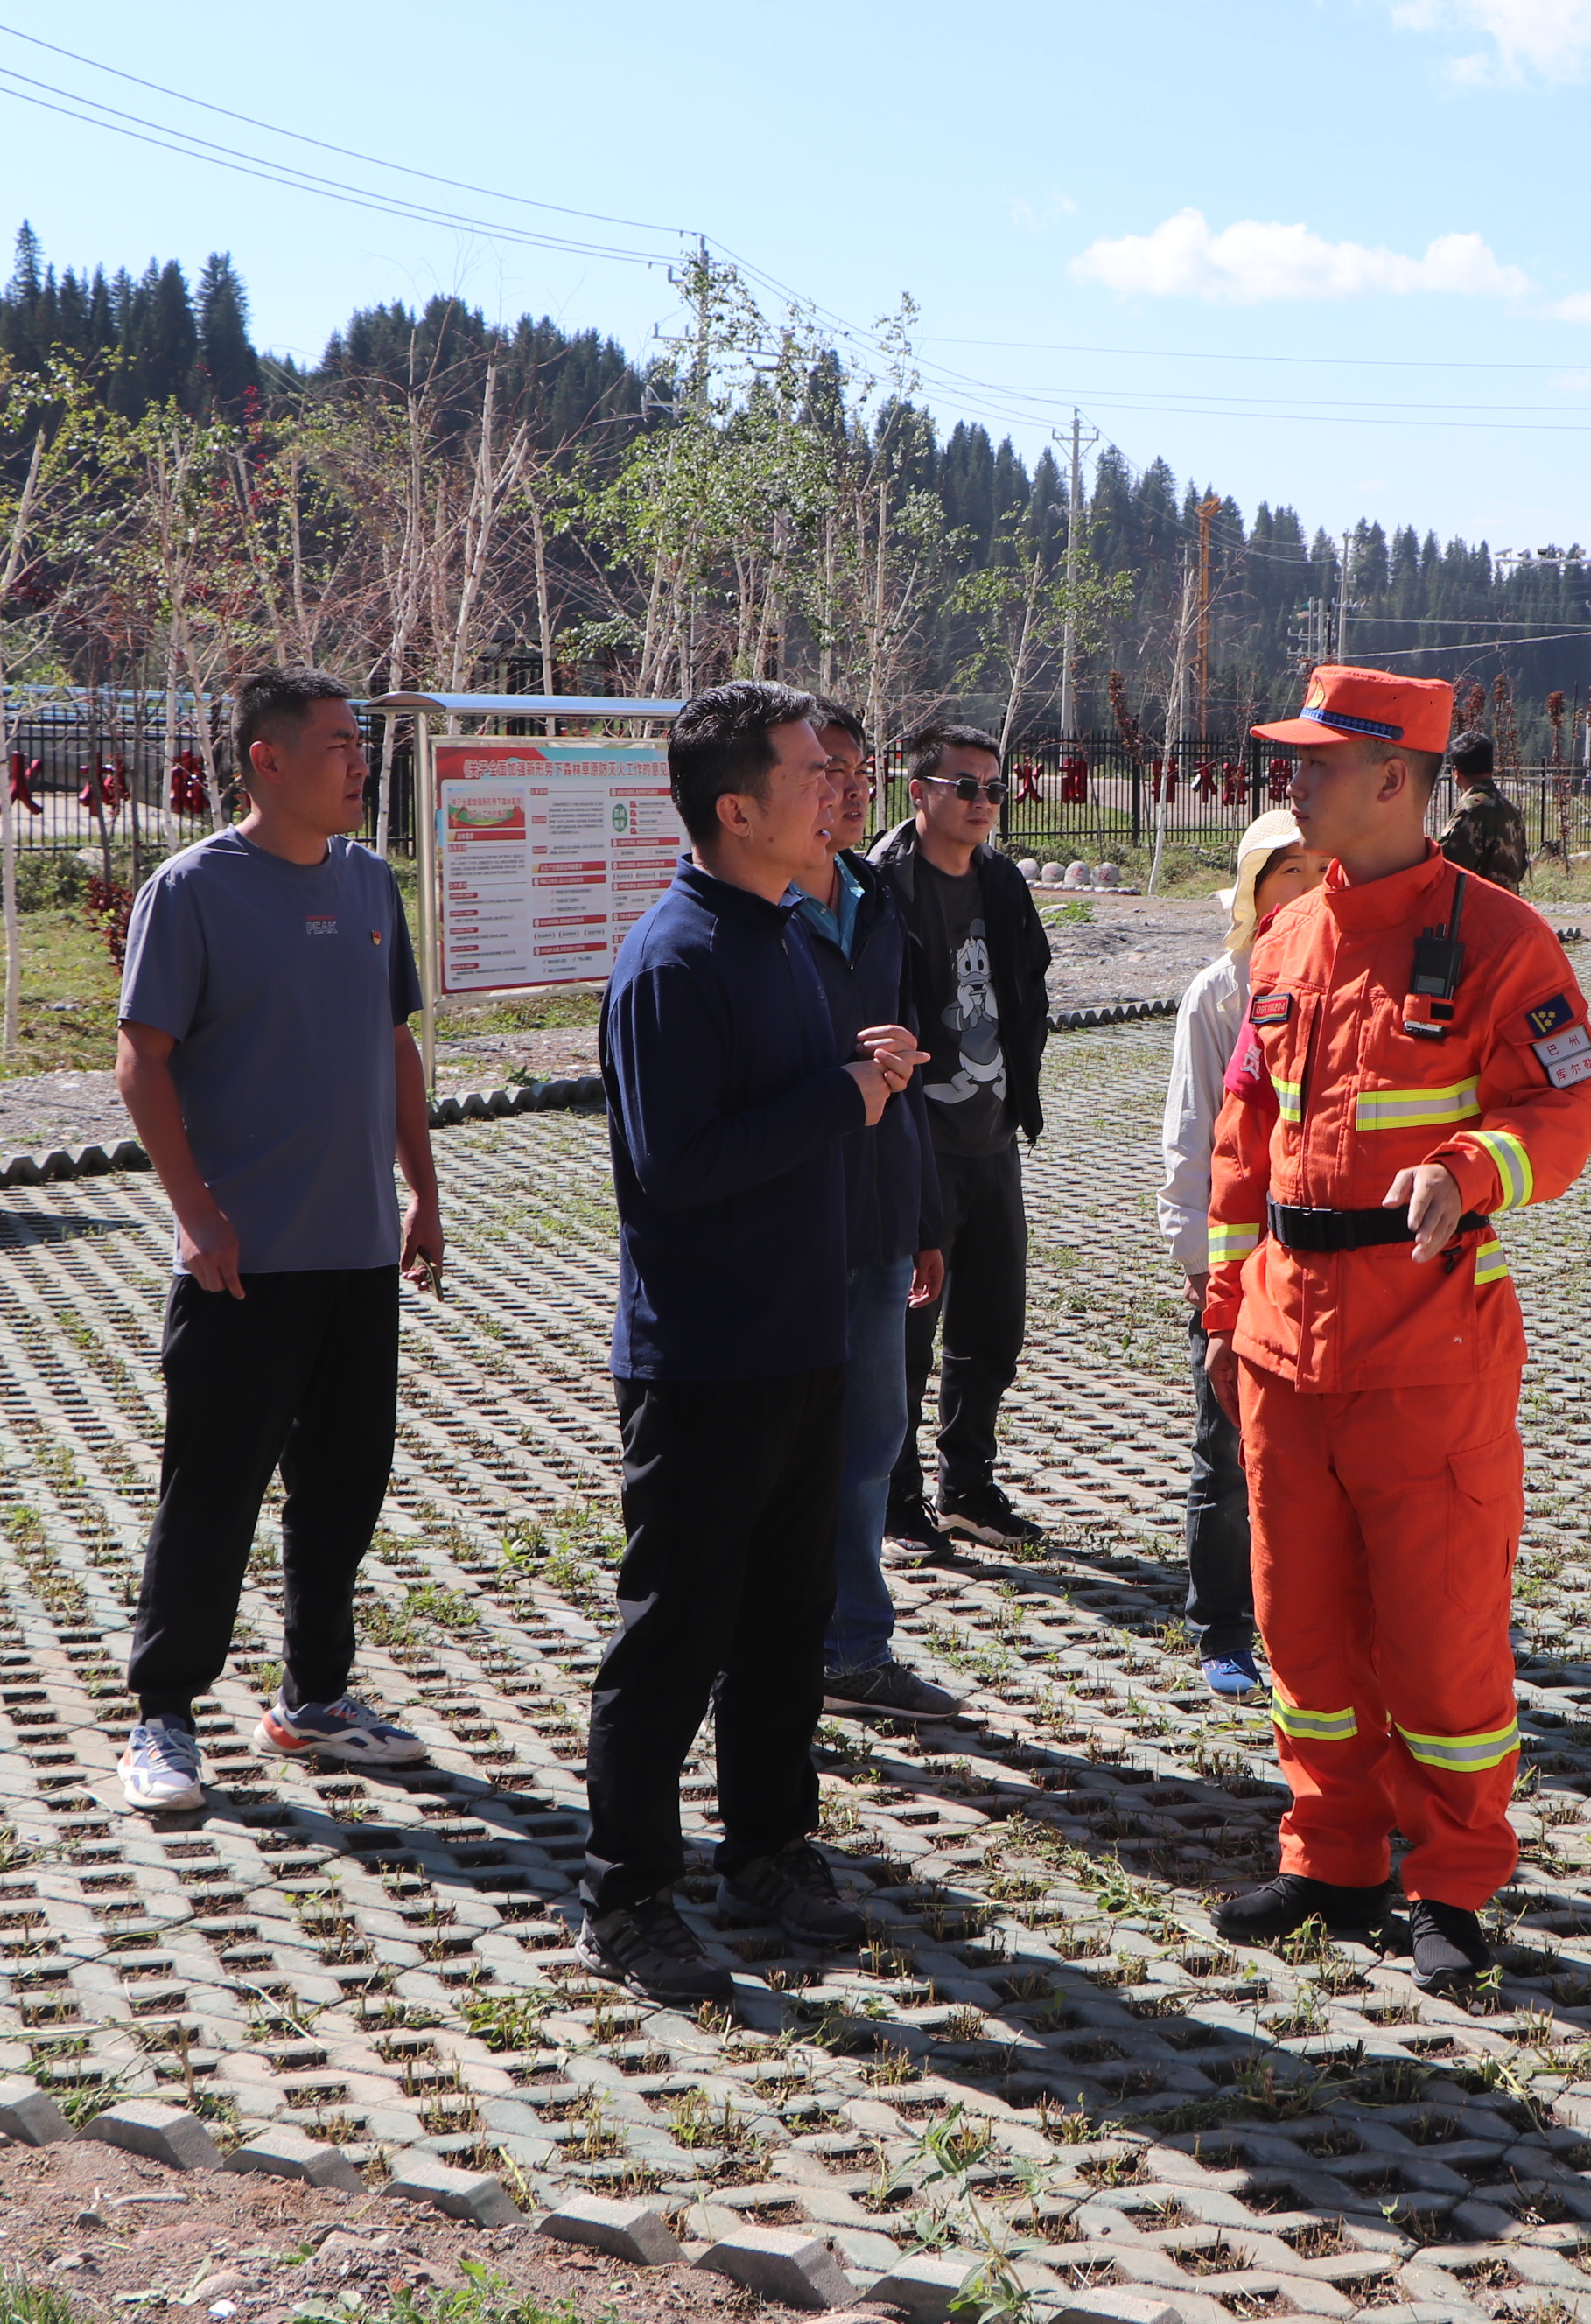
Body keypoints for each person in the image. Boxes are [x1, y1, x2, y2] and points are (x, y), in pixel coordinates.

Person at [1201, 665, 1591, 1998]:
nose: (1291, 781)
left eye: (1315, 763)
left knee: (1440, 1637)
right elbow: (1242, 1138)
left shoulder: (1500, 940)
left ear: (1394, 780)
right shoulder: (1284, 939)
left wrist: (1478, 1166)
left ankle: (1451, 1879)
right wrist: (1223, 1310)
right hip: (1283, 1346)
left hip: (1425, 1350)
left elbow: (1568, 1115)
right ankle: (1331, 1854)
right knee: (1303, 1628)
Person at [585, 678, 923, 2002]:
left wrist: (865, 1079)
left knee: (785, 1623)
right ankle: (628, 1890)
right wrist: (842, 1095)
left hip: (802, 1338)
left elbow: (793, 1107)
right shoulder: (673, 957)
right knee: (678, 1631)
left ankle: (771, 1850)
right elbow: (679, 1164)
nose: (835, 787)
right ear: (737, 808)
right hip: (706, 1355)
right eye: (805, 771)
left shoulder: (785, 933)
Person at [112, 668, 442, 1815]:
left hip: (356, 1253)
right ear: (268, 758)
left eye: (362, 744)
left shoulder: (365, 881)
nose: (361, 763)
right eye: (343, 744)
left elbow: (392, 1042)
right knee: (213, 1493)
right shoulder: (195, 890)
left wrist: (424, 1191)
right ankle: (163, 1717)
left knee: (344, 1487)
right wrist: (197, 1212)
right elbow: (141, 1059)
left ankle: (315, 1700)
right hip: (240, 1265)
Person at [798, 699, 966, 1723]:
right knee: (783, 1460)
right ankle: (763, 1656)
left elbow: (914, 1075)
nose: (853, 788)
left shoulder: (873, 896)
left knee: (870, 1444)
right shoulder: (749, 915)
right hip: (784, 1235)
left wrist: (927, 1218)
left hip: (877, 1222)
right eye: (831, 770)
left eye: (862, 770)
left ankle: (854, 1645)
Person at [869, 724, 1054, 1554]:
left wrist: (1020, 1088)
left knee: (992, 1325)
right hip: (915, 1144)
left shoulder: (1004, 884)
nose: (983, 803)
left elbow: (1030, 988)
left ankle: (968, 1487)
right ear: (920, 792)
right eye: (964, 786)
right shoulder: (879, 888)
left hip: (991, 1137)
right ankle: (895, 1494)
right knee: (906, 1330)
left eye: (993, 788)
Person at [1156, 810, 1327, 1702]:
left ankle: (1300, 1621)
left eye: (1314, 866)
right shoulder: (1222, 992)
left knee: (1313, 1460)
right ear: (1255, 888)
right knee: (1226, 1453)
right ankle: (1220, 1625)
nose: (1302, 886)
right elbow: (1194, 1140)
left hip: (1326, 1270)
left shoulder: (1343, 980)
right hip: (1239, 1265)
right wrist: (1200, 1266)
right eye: (1284, 869)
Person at [1434, 729, 1531, 892]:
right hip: (1508, 907)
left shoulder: (1471, 809)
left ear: (1456, 772)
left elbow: (1448, 868)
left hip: (1477, 909)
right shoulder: (1510, 809)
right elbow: (1520, 867)